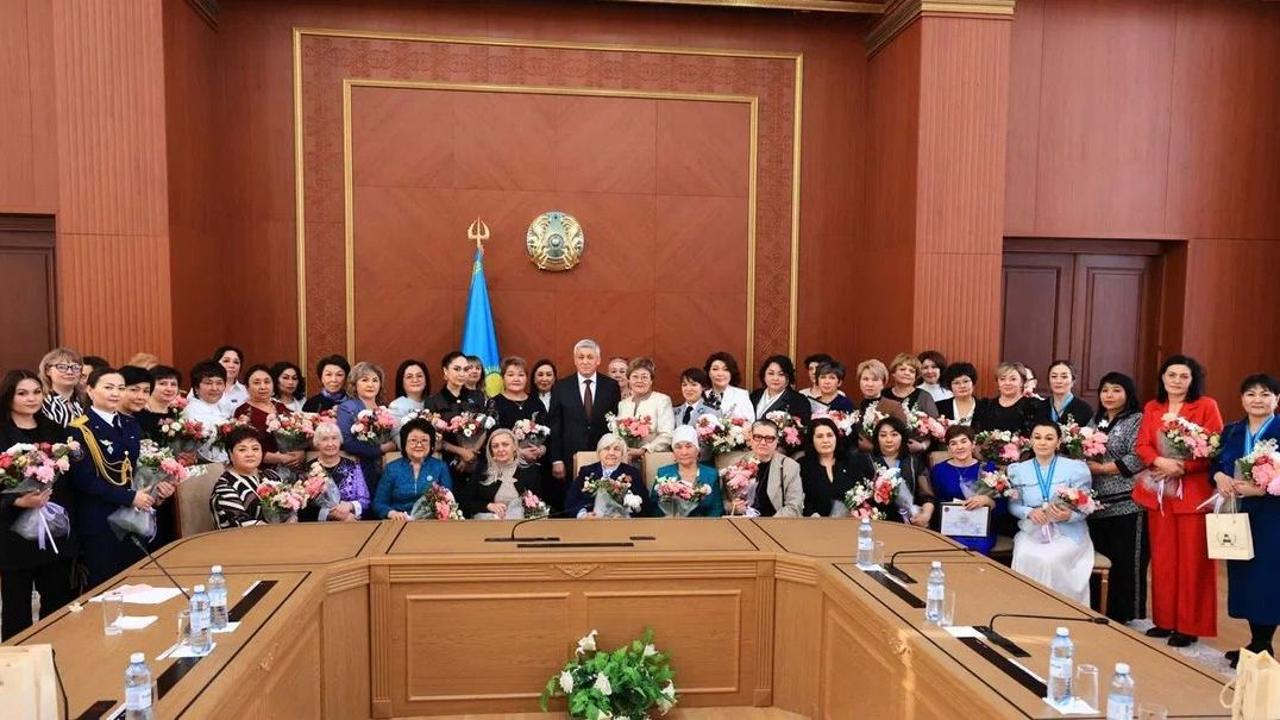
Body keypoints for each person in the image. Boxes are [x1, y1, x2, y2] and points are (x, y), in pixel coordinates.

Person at [1135, 354, 1223, 647]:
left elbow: (1214, 448)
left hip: (1193, 495)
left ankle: (1189, 625)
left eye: (1184, 376)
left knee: (1193, 563)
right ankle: (1164, 620)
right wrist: (1160, 461)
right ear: (1162, 378)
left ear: (1193, 380)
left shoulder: (1206, 406)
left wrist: (1183, 466)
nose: (1176, 381)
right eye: (1171, 375)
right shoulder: (1152, 406)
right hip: (1159, 493)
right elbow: (1142, 445)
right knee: (1163, 560)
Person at [67, 368, 172, 587]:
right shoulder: (80, 429)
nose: (115, 393)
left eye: (121, 388)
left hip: (134, 516)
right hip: (101, 517)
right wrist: (129, 497)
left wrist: (155, 490)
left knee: (138, 581)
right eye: (108, 387)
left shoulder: (130, 423)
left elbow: (137, 468)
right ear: (90, 390)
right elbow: (84, 479)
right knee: (107, 584)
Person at [0, 370, 77, 640]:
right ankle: (16, 658)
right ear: (8, 396)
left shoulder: (54, 430)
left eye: (36, 392)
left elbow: (68, 480)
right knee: (16, 608)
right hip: (12, 532)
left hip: (53, 527)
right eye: (22, 393)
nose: (31, 398)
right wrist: (16, 499)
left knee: (58, 602)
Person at [1213, 373, 1280, 668]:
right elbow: (1215, 463)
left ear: (1277, 399)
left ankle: (1264, 645)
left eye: (1265, 394)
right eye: (1251, 394)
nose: (1257, 400)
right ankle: (1256, 641)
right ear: (1242, 399)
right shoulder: (1232, 431)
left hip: (1272, 515)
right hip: (1237, 511)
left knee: (1268, 576)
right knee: (1244, 574)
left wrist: (1265, 487)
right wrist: (1219, 476)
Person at [1006, 421, 1095, 603]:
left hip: (1068, 533)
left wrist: (1069, 516)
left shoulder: (1075, 468)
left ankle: (1058, 608)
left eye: (1049, 438)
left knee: (1049, 560)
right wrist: (1029, 512)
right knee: (1023, 555)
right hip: (1032, 530)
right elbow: (1013, 505)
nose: (1042, 442)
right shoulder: (1018, 470)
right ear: (1030, 441)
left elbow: (1086, 505)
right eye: (1037, 437)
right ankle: (1026, 608)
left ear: (1058, 442)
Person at [1085, 372, 1148, 624]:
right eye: (1105, 390)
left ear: (1127, 394)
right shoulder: (1097, 420)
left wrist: (1102, 468)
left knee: (1125, 561)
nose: (1109, 395)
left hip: (1126, 503)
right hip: (1095, 502)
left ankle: (1125, 615)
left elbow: (1138, 456)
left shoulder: (1136, 419)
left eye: (1116, 390)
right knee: (1098, 558)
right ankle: (1099, 608)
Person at [548, 339, 622, 509]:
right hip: (569, 456)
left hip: (603, 455)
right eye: (581, 357)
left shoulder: (611, 386)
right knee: (572, 503)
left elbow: (614, 423)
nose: (585, 361)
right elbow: (555, 425)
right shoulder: (561, 387)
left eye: (590, 357)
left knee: (602, 502)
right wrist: (556, 459)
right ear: (575, 360)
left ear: (598, 360)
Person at [210, 426, 317, 528]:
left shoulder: (271, 475)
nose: (250, 454)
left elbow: (290, 508)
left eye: (255, 449)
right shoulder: (224, 488)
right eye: (242, 450)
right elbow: (240, 524)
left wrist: (291, 520)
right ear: (230, 454)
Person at [929, 425, 999, 554]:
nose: (959, 447)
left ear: (973, 444)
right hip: (951, 528)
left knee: (979, 547)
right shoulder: (939, 470)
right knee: (956, 546)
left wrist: (987, 500)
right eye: (953, 443)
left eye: (963, 441)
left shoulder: (987, 468)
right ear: (948, 449)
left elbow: (1002, 504)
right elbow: (936, 501)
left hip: (981, 528)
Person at [854, 416, 935, 526]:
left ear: (903, 437)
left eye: (894, 435)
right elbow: (857, 496)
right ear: (877, 438)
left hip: (909, 523)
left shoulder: (913, 462)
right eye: (883, 435)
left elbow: (927, 497)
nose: (889, 440)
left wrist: (926, 515)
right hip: (876, 522)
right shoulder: (865, 461)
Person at [336, 362, 396, 498]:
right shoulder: (347, 407)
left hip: (386, 468)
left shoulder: (384, 408)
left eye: (375, 380)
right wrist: (380, 449)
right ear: (354, 384)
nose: (371, 385)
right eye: (364, 380)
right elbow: (348, 443)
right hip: (360, 469)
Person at [373, 419, 452, 520]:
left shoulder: (440, 467)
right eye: (413, 440)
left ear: (431, 444)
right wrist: (392, 513)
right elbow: (379, 503)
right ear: (404, 443)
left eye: (424, 440)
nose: (419, 445)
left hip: (431, 523)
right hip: (399, 522)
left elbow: (448, 501)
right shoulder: (392, 468)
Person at [426, 351, 488, 480]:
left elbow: (485, 427)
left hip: (477, 460)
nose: (462, 374)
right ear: (445, 371)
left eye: (465, 369)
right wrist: (462, 453)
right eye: (457, 369)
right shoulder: (433, 401)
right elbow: (434, 437)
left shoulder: (477, 396)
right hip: (448, 461)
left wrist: (471, 454)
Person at [233, 365, 305, 471]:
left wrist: (301, 453)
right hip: (261, 469)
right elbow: (244, 447)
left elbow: (298, 433)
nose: (263, 387)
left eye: (267, 382)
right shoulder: (243, 412)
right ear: (247, 387)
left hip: (291, 467)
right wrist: (281, 458)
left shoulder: (280, 407)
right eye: (257, 383)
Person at [461, 428, 543, 518]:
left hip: (521, 523)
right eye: (495, 446)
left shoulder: (530, 471)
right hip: (489, 521)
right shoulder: (483, 470)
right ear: (491, 450)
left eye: (505, 444)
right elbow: (465, 501)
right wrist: (488, 506)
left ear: (514, 447)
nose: (500, 449)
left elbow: (540, 504)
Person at [564, 433, 651, 518]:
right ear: (599, 452)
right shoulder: (587, 472)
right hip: (591, 522)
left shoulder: (632, 473)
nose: (611, 453)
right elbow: (571, 500)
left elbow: (645, 503)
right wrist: (583, 515)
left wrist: (626, 516)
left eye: (617, 449)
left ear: (622, 454)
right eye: (606, 448)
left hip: (622, 523)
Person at [730, 419, 804, 517]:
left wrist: (767, 524)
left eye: (769, 438)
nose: (763, 442)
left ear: (776, 441)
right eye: (758, 437)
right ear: (751, 438)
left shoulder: (789, 466)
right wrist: (735, 507)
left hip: (776, 522)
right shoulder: (740, 463)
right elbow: (728, 502)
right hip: (744, 522)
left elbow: (794, 507)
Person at [651, 425, 722, 517]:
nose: (684, 452)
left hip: (704, 524)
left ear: (697, 450)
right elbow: (654, 508)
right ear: (673, 452)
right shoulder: (663, 473)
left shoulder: (711, 474)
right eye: (678, 447)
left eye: (689, 446)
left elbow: (716, 509)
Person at [616, 357, 675, 463]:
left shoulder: (662, 400)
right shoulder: (623, 404)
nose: (639, 381)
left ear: (651, 381)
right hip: (626, 458)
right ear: (629, 379)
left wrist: (644, 450)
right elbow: (618, 434)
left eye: (644, 377)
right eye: (635, 377)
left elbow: (667, 435)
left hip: (654, 458)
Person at [308, 422, 370, 521]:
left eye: (334, 438)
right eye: (324, 439)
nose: (330, 444)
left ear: (340, 441)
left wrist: (350, 506)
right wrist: (330, 514)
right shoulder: (308, 469)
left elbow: (365, 501)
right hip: (319, 526)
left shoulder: (353, 467)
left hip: (351, 523)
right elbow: (302, 507)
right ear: (317, 443)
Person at [799, 418, 856, 517]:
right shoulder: (802, 466)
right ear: (812, 440)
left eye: (830, 435)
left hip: (848, 523)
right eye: (819, 436)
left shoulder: (850, 463)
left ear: (836, 438)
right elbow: (799, 499)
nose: (825, 440)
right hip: (813, 523)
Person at [182, 360, 230, 464]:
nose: (214, 388)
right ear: (196, 387)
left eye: (219, 383)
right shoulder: (191, 411)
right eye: (208, 383)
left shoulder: (224, 407)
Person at [974, 361, 1040, 436]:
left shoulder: (1032, 405)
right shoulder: (986, 405)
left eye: (1013, 379)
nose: (1007, 383)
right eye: (1002, 379)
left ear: (1022, 382)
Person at [750, 355, 812, 425]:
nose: (775, 378)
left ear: (788, 378)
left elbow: (803, 426)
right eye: (771, 373)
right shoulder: (755, 395)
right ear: (764, 376)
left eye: (781, 374)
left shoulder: (799, 401)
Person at [38, 347, 86, 427]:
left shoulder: (86, 401)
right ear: (47, 371)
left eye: (75, 367)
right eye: (62, 367)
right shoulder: (41, 402)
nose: (70, 372)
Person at [703, 351, 754, 421]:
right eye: (715, 369)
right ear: (708, 372)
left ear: (731, 373)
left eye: (726, 369)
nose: (720, 374)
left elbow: (750, 421)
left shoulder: (741, 395)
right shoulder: (702, 395)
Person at [1041, 360, 1094, 426]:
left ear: (1073, 381)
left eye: (1064, 377)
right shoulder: (1040, 407)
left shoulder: (1084, 409)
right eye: (1054, 376)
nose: (1058, 381)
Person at [885, 353, 939, 418]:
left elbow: (934, 421)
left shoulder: (924, 397)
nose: (907, 373)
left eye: (911, 371)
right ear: (893, 373)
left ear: (916, 376)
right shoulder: (883, 394)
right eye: (902, 369)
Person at [140, 365, 183, 443]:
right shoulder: (139, 413)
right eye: (162, 384)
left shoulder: (177, 414)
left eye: (173, 384)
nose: (169, 389)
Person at [388, 359, 432, 424]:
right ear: (401, 382)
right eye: (409, 377)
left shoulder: (434, 402)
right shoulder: (396, 406)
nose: (415, 380)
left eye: (419, 376)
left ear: (426, 380)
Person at [936, 362, 979, 426]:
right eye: (956, 383)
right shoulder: (940, 407)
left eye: (966, 381)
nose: (962, 386)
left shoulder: (985, 407)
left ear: (973, 383)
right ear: (950, 386)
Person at [210, 345, 248, 415]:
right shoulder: (202, 388)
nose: (231, 365)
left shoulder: (246, 392)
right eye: (226, 361)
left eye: (236, 362)